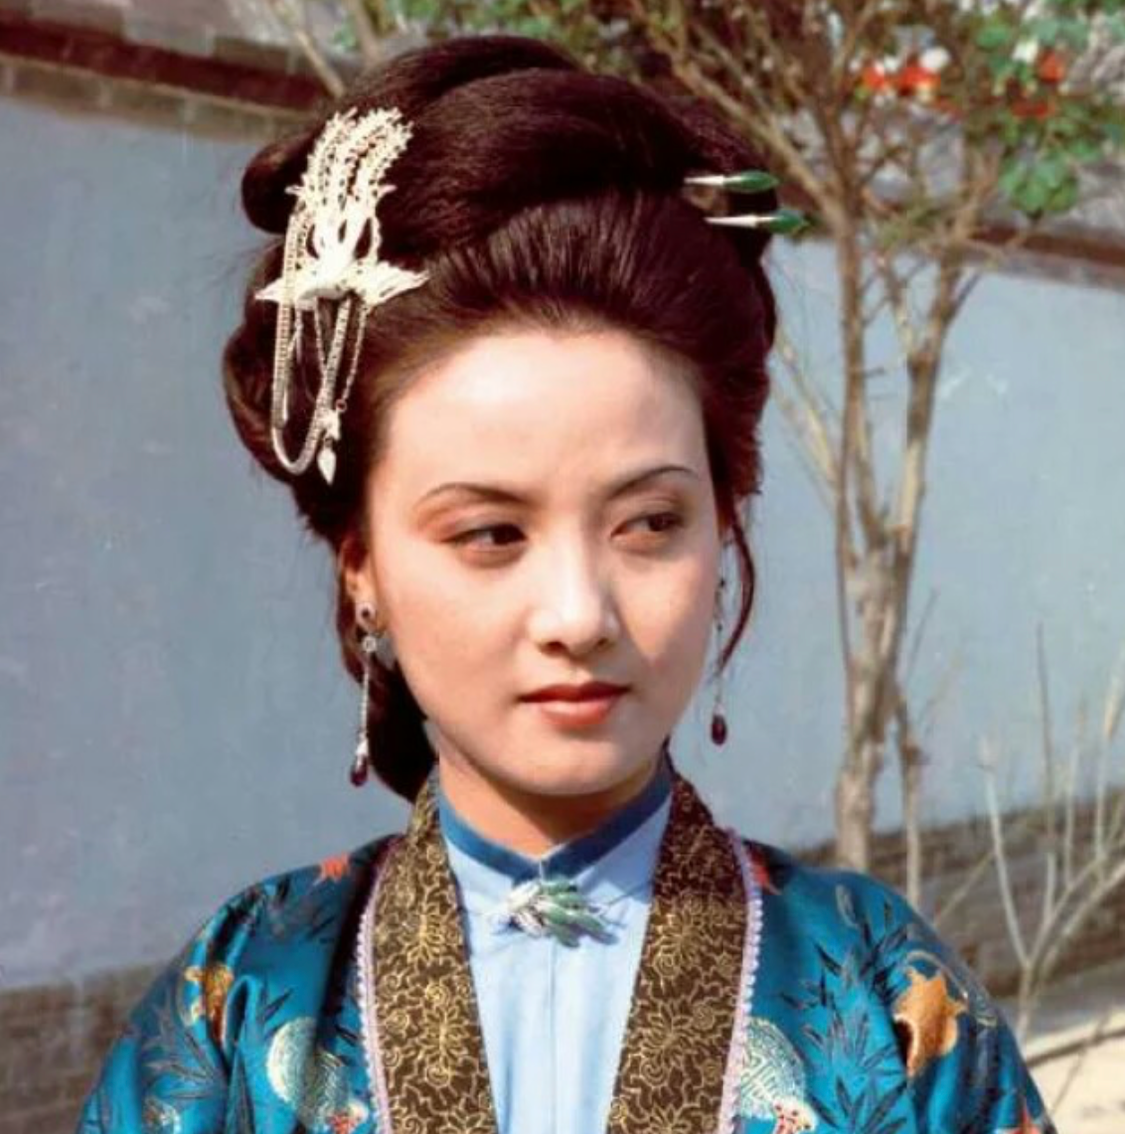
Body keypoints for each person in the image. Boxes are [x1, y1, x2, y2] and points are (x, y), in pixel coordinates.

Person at [75, 33, 1055, 1134]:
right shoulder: (243, 1003)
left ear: (723, 529)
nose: (580, 615)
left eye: (650, 524)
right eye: (491, 534)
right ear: (363, 568)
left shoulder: (881, 993)